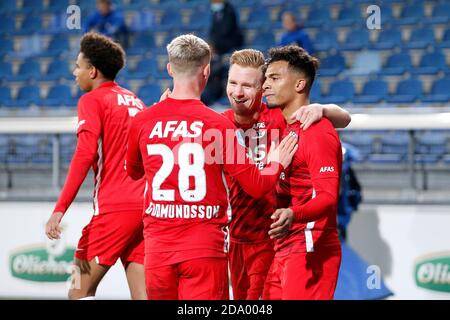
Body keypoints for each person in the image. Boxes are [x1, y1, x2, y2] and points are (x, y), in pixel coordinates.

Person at [125, 34, 297, 300]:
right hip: (204, 249)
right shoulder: (218, 125)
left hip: (158, 251)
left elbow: (134, 172)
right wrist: (275, 162)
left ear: (170, 68)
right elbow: (257, 184)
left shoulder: (143, 120)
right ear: (206, 71)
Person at [222, 49, 351, 300]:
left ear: (259, 88)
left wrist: (322, 109)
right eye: (233, 83)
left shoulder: (279, 118)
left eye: (248, 85)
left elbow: (344, 119)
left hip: (277, 238)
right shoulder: (220, 123)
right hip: (240, 240)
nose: (238, 92)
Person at [45, 32, 147, 300]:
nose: (74, 72)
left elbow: (85, 154)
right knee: (144, 295)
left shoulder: (91, 101)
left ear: (92, 71)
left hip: (114, 209)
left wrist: (59, 208)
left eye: (78, 66)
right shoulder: (135, 100)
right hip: (146, 208)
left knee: (78, 291)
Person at [262, 45, 342, 300]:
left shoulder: (317, 132)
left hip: (310, 242)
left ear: (299, 85)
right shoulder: (281, 123)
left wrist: (292, 213)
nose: (265, 85)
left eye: (274, 78)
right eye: (266, 78)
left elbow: (328, 198)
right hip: (286, 243)